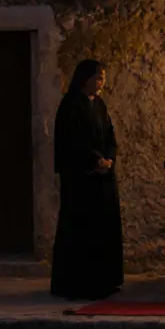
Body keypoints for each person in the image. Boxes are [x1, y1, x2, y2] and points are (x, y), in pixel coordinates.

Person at [51, 59, 123, 300]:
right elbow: (73, 141)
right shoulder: (70, 106)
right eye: (98, 78)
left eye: (103, 78)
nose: (102, 83)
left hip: (103, 177)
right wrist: (95, 161)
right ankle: (80, 284)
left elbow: (110, 135)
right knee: (82, 230)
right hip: (81, 180)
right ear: (85, 79)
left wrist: (109, 158)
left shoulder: (100, 105)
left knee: (104, 228)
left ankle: (105, 280)